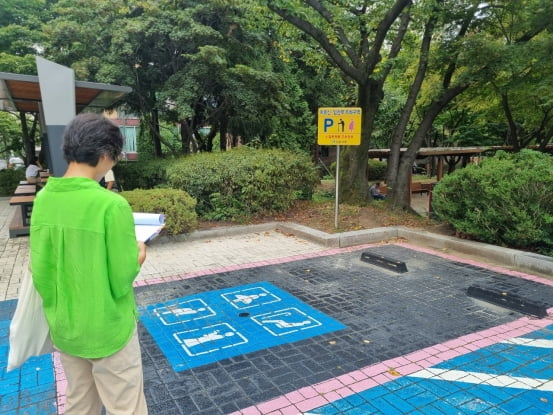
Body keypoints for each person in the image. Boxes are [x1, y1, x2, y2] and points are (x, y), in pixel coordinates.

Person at [29, 113, 148, 415]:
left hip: (66, 327)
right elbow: (121, 278)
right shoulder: (112, 205)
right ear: (105, 155)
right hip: (109, 330)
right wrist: (138, 256)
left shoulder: (44, 199)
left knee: (80, 403)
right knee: (127, 407)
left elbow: (39, 271)